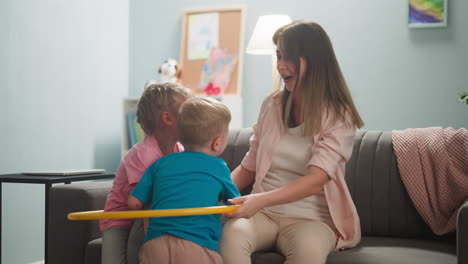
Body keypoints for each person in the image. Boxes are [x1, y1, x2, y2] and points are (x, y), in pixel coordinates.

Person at [219, 20, 365, 264]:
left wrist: (258, 200)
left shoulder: (340, 115)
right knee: (232, 237)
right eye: (278, 56)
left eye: (289, 58)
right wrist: (211, 191)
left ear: (315, 60)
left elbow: (315, 180)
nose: (281, 66)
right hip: (263, 214)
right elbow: (248, 167)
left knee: (308, 253)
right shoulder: (271, 104)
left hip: (311, 219)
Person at [128, 96, 241, 264]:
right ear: (217, 143)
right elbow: (236, 205)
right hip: (196, 246)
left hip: (155, 245)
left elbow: (133, 202)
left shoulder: (160, 164)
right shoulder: (218, 167)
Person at [100, 82, 193, 264]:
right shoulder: (143, 154)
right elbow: (145, 204)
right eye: (189, 112)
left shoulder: (180, 150)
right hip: (120, 220)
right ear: (168, 118)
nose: (195, 118)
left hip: (154, 212)